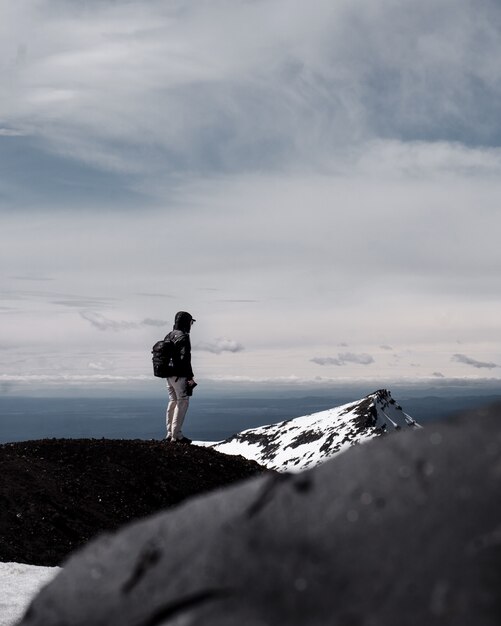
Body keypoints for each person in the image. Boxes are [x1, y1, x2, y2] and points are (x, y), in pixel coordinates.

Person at [164, 311, 196, 443]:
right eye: (190, 322)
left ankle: (169, 432)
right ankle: (176, 436)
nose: (191, 325)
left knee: (172, 401)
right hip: (179, 375)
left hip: (168, 374)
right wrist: (190, 376)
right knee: (182, 401)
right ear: (185, 322)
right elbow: (185, 358)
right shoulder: (183, 336)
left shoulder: (169, 335)